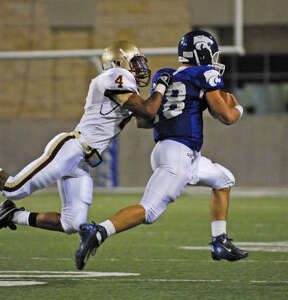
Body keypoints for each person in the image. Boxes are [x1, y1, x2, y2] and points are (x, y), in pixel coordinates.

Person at [75, 30, 248, 270]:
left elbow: (144, 121)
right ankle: (99, 231)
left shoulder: (166, 74)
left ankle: (220, 242)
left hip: (174, 151)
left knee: (224, 179)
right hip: (179, 153)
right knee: (150, 210)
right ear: (203, 53)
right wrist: (238, 106)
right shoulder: (205, 73)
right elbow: (226, 116)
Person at [0, 41, 172, 235]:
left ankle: (11, 214)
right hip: (71, 149)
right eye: (135, 61)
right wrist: (160, 89)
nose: (140, 68)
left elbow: (145, 121)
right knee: (13, 189)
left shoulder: (123, 86)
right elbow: (148, 112)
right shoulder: (116, 75)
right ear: (119, 62)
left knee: (72, 223)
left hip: (82, 162)